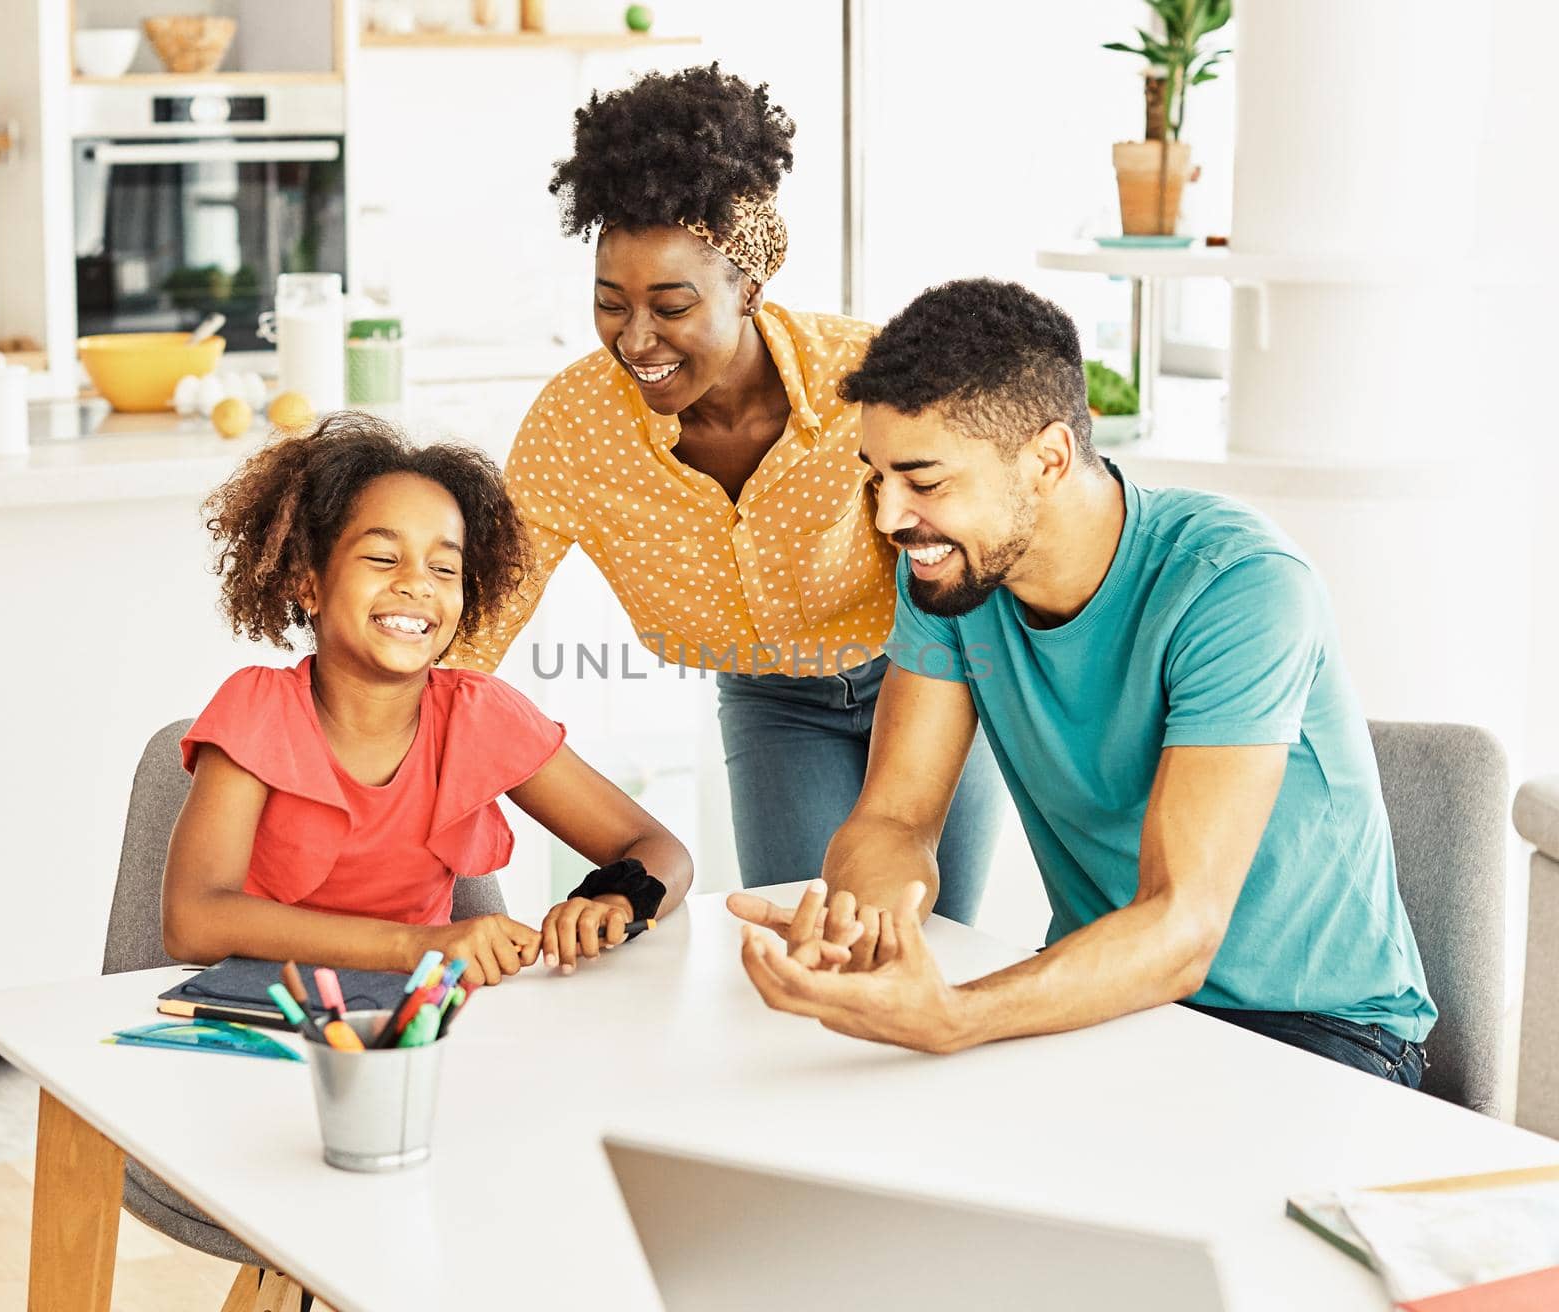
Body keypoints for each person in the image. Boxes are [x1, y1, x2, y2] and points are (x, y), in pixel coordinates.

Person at [730, 279, 1435, 1085]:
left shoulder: (1238, 585)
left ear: (1048, 459)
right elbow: (894, 818)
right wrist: (865, 923)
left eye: (924, 482)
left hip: (1318, 1030)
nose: (890, 518)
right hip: (1115, 1006)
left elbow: (1182, 926)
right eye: (878, 477)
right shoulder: (948, 575)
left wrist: (960, 1016)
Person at [451, 64, 1003, 925]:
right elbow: (490, 603)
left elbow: (965, 543)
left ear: (747, 289)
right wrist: (378, 722)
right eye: (610, 304)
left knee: (933, 945)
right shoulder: (575, 424)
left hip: (929, 674)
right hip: (774, 701)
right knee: (804, 942)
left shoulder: (863, 376)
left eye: (672, 305)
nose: (636, 339)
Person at [162, 412, 691, 986]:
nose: (418, 584)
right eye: (384, 558)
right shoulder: (260, 710)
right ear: (308, 581)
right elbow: (193, 920)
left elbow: (661, 849)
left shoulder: (478, 715)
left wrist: (614, 899)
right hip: (265, 1019)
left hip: (421, 1025)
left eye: (445, 567)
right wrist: (414, 944)